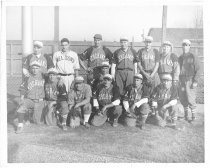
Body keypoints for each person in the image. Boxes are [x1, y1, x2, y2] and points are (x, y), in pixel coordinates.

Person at [16, 62, 45, 133]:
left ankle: (30, 115)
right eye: (33, 68)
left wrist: (60, 79)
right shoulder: (28, 77)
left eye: (36, 68)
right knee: (21, 107)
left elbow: (53, 77)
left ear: (40, 69)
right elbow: (22, 88)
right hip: (30, 100)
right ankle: (20, 126)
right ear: (31, 69)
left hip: (41, 101)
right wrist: (22, 98)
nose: (35, 70)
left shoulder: (44, 76)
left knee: (38, 122)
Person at [178, 39, 201, 123]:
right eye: (184, 45)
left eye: (187, 45)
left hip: (190, 80)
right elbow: (178, 69)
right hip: (182, 80)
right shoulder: (180, 57)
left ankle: (194, 117)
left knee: (190, 98)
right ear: (182, 46)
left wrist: (195, 81)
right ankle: (186, 116)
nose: (185, 47)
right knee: (183, 98)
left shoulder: (193, 56)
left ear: (189, 46)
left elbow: (198, 69)